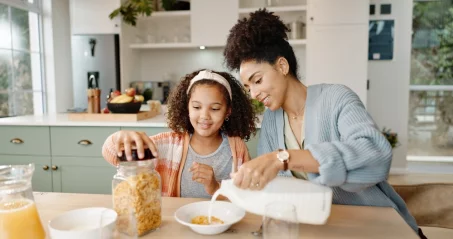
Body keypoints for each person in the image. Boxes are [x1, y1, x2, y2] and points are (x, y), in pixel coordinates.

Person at [222, 9, 427, 239]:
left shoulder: (337, 98)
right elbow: (278, 190)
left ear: (282, 66)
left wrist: (284, 158)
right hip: (326, 229)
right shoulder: (272, 121)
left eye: (257, 81)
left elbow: (377, 155)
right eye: (248, 87)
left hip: (382, 228)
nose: (254, 93)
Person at [102, 69, 257, 198]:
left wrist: (215, 186)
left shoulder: (236, 149)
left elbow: (246, 195)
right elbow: (112, 155)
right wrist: (119, 137)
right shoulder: (167, 144)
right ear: (187, 108)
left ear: (228, 111)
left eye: (215, 108)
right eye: (197, 107)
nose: (204, 116)